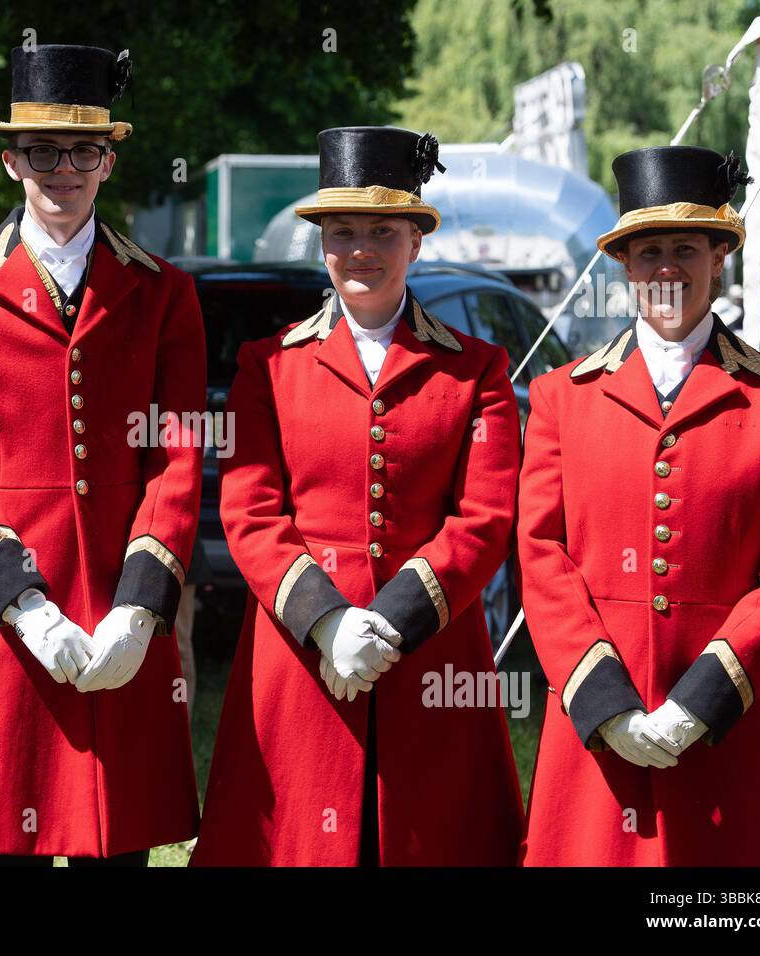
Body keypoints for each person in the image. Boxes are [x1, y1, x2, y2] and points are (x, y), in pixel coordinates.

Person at [191, 126, 525, 866]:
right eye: (343, 232)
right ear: (322, 245)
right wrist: (328, 622)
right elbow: (249, 514)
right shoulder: (265, 366)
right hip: (298, 658)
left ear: (416, 241)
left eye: (383, 230)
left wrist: (393, 622)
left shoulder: (478, 369)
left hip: (434, 657)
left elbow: (486, 518)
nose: (362, 249)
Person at [0, 44, 205, 866]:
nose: (64, 169)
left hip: (123, 607)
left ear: (108, 161)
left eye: (84, 151)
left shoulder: (164, 292)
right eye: (44, 151)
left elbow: (177, 457)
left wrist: (143, 604)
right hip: (11, 621)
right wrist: (26, 604)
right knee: (4, 838)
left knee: (117, 845)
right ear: (12, 161)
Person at [518, 145, 760, 865]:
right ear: (624, 264)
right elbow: (540, 555)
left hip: (732, 725)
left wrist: (702, 700)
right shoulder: (563, 398)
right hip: (600, 726)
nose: (666, 268)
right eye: (648, 250)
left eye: (686, 248)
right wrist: (605, 702)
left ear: (719, 256)